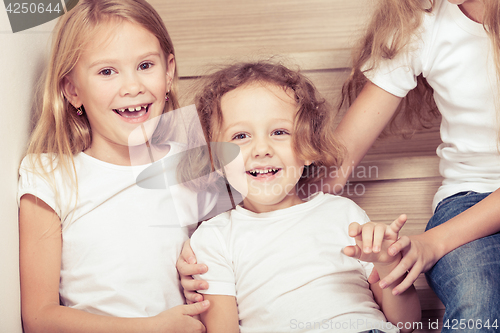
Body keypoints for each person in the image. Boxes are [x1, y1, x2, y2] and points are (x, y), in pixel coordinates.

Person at [17, 1, 215, 332]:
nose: (132, 86)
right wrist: (150, 328)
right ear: (72, 90)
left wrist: (199, 271)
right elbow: (38, 317)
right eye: (107, 71)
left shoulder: (193, 164)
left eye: (145, 65)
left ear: (168, 72)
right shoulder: (49, 176)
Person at [181, 61, 421, 333]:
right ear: (216, 158)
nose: (262, 149)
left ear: (308, 147)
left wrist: (387, 263)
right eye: (241, 135)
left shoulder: (344, 215)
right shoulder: (215, 238)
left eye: (279, 132)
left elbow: (408, 324)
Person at [331, 0, 500, 331]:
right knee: (476, 298)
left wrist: (433, 243)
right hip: (467, 201)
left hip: (449, 233)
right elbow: (335, 165)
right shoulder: (419, 22)